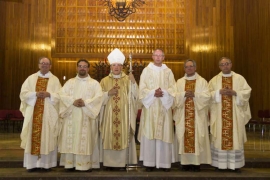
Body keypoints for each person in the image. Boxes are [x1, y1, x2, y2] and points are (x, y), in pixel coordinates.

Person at [58, 59, 103, 172]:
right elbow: (61, 95)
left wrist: (85, 103)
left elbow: (99, 98)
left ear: (88, 68)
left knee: (85, 140)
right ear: (77, 68)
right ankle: (70, 164)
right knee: (71, 139)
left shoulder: (94, 84)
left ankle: (85, 165)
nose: (82, 68)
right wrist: (73, 101)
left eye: (85, 66)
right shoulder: (69, 82)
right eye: (80, 66)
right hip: (71, 117)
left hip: (86, 117)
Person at [208, 57, 251, 172]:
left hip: (235, 116)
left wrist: (235, 93)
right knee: (220, 137)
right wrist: (218, 92)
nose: (225, 66)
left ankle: (235, 165)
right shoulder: (215, 80)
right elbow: (207, 95)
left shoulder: (239, 78)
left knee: (235, 137)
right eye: (222, 64)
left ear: (231, 65)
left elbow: (247, 92)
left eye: (227, 64)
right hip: (219, 116)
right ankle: (219, 164)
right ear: (219, 67)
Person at [19, 57, 62, 172]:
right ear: (38, 65)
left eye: (47, 64)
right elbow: (23, 94)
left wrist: (49, 94)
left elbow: (60, 96)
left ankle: (46, 164)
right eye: (42, 63)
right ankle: (32, 164)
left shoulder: (55, 80)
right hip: (33, 113)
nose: (44, 65)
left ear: (50, 66)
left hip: (48, 115)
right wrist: (35, 94)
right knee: (31, 136)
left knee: (47, 136)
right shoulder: (31, 78)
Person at [99, 48, 138, 170]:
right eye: (114, 65)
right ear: (110, 67)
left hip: (124, 116)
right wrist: (107, 94)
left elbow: (136, 97)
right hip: (109, 117)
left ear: (122, 67)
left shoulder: (127, 80)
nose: (116, 67)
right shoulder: (104, 81)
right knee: (110, 136)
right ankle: (109, 163)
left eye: (119, 65)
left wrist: (133, 83)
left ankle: (122, 163)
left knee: (123, 137)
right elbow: (98, 98)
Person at [138, 49, 176, 172]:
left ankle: (164, 163)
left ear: (164, 57)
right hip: (151, 107)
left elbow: (173, 88)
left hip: (164, 108)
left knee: (164, 134)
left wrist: (163, 93)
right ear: (152, 57)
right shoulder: (146, 70)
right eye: (156, 55)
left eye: (161, 55)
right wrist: (153, 93)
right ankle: (149, 163)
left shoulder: (168, 71)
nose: (158, 57)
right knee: (150, 134)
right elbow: (142, 88)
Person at [173, 59, 211, 172]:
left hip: (197, 116)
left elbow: (207, 96)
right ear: (184, 69)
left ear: (195, 68)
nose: (189, 68)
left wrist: (195, 95)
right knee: (183, 137)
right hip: (183, 114)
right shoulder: (179, 82)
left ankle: (196, 163)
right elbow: (174, 96)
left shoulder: (202, 81)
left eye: (191, 66)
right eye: (187, 67)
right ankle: (184, 163)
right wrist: (184, 94)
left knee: (197, 137)